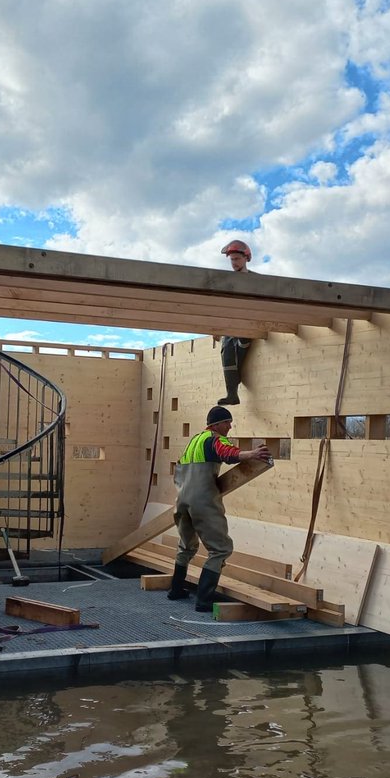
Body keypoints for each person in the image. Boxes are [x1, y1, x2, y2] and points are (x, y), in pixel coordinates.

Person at [169, 405, 272, 612]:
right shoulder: (215, 438)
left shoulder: (194, 441)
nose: (230, 426)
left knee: (186, 547)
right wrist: (252, 453)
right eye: (227, 422)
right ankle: (204, 602)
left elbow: (179, 466)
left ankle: (175, 590)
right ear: (216, 424)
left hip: (181, 500)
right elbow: (227, 453)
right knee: (220, 549)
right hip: (202, 500)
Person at [218, 239, 254, 405]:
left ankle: (235, 385)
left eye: (237, 259)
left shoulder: (256, 281)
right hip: (230, 325)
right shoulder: (226, 282)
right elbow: (220, 304)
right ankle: (232, 393)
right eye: (232, 260)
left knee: (242, 341)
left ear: (246, 258)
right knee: (227, 351)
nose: (234, 263)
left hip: (248, 323)